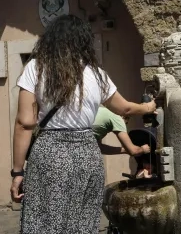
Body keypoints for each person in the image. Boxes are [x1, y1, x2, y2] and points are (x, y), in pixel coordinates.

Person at [9, 15, 156, 234]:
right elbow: (124, 108)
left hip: (49, 153)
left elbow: (24, 123)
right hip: (87, 153)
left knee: (44, 222)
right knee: (83, 222)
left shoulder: (35, 67)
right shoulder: (97, 75)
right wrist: (148, 108)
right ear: (83, 42)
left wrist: (17, 173)